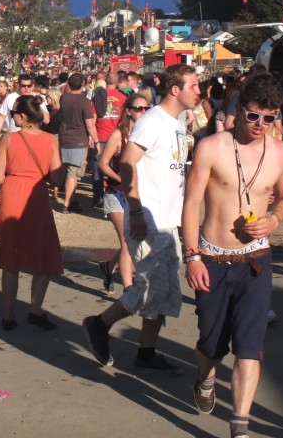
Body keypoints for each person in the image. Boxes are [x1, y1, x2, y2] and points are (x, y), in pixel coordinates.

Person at [182, 74, 283, 438]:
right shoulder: (212, 147)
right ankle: (205, 375)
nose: (261, 125)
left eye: (269, 118)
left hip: (255, 261)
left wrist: (274, 220)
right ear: (238, 110)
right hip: (212, 259)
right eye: (253, 116)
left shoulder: (281, 152)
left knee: (250, 347)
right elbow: (192, 203)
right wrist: (192, 256)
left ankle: (239, 427)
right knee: (211, 344)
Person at [82, 64, 200, 376]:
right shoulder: (153, 121)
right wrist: (134, 210)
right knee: (151, 288)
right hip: (148, 218)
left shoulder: (175, 122)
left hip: (166, 219)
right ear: (176, 89)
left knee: (165, 290)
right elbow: (127, 164)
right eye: (194, 86)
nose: (199, 91)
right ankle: (99, 323)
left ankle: (146, 353)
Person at [0, 94, 62, 330]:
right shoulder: (51, 140)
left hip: (13, 194)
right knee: (44, 255)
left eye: (14, 114)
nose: (13, 117)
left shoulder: (8, 140)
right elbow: (57, 177)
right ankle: (35, 309)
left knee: (11, 259)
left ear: (22, 116)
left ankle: (8, 315)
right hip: (37, 196)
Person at [95, 92, 150, 294]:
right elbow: (103, 164)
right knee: (127, 241)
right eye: (138, 108)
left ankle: (108, 267)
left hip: (138, 195)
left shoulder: (150, 134)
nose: (143, 112)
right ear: (129, 111)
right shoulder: (119, 135)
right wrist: (122, 179)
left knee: (133, 239)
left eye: (146, 108)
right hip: (116, 194)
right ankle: (129, 288)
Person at [57, 74, 98, 213]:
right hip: (78, 140)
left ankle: (73, 201)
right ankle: (67, 204)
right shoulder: (84, 101)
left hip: (64, 139)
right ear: (82, 85)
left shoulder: (64, 98)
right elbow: (90, 124)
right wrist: (96, 140)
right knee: (73, 174)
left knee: (69, 170)